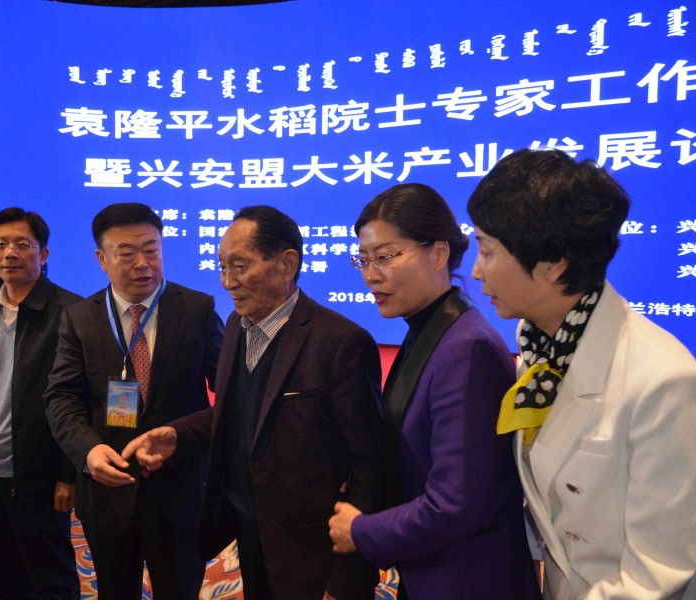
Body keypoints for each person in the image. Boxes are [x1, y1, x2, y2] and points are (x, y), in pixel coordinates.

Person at [467, 148, 696, 598]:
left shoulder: (664, 381)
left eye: (488, 250)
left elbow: (656, 577)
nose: (476, 270)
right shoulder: (539, 348)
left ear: (553, 263)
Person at [124, 205, 384, 600]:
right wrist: (178, 435)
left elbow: (368, 466)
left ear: (287, 264)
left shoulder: (340, 343)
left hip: (312, 548)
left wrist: (345, 580)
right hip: (251, 533)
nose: (228, 281)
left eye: (240, 266)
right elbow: (242, 411)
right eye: (222, 267)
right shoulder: (236, 326)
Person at [326, 183, 540, 599]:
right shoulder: (431, 329)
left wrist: (362, 530)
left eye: (385, 256)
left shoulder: (466, 348)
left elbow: (454, 505)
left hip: (466, 579)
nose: (371, 274)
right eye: (364, 259)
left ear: (439, 253)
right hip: (437, 569)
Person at [44, 202, 224, 600]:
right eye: (127, 253)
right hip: (108, 488)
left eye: (151, 250)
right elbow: (61, 397)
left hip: (179, 487)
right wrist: (88, 451)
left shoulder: (197, 309)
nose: (142, 263)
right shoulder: (79, 318)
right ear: (102, 259)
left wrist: (182, 436)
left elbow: (230, 395)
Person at [0, 208, 82, 598]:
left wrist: (68, 473)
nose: (9, 253)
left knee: (51, 576)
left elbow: (81, 401)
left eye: (22, 244)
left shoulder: (70, 313)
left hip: (39, 472)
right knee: (3, 573)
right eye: (0, 244)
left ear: (43, 254)